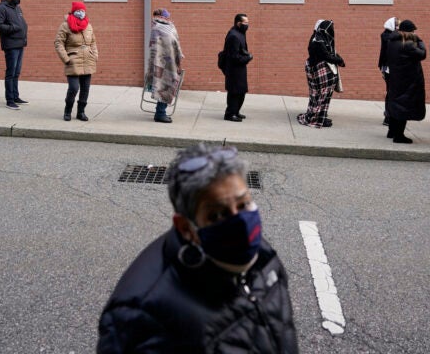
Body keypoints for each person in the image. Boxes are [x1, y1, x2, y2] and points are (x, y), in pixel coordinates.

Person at [97, 143, 298, 353]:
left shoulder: (263, 255)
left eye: (243, 204)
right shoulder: (141, 315)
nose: (239, 222)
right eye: (217, 215)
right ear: (186, 228)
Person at [54, 1, 98, 121]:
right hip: (73, 61)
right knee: (73, 88)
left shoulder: (88, 25)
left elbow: (93, 42)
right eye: (79, 10)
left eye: (83, 11)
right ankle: (67, 111)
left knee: (85, 89)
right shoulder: (65, 25)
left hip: (88, 60)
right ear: (73, 11)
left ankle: (81, 112)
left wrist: (95, 55)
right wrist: (66, 59)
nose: (81, 13)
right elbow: (58, 43)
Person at [297, 19, 345, 128]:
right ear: (325, 29)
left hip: (315, 70)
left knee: (316, 95)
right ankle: (317, 118)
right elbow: (326, 56)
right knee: (322, 96)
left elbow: (331, 53)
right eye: (330, 28)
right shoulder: (319, 41)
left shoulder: (319, 38)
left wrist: (339, 60)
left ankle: (318, 116)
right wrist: (339, 61)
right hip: (320, 72)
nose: (332, 31)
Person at [385, 20, 426, 144]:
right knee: (403, 107)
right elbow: (423, 54)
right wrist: (420, 41)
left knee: (395, 103)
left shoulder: (391, 42)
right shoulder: (408, 45)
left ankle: (391, 131)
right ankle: (399, 135)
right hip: (408, 80)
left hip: (395, 78)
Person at [0, 0, 28, 110]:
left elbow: (21, 23)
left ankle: (15, 96)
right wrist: (13, 28)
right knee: (11, 72)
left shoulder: (17, 8)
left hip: (20, 44)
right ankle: (10, 100)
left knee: (16, 72)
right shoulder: (2, 9)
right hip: (11, 45)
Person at [147, 8, 184, 123]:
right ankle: (160, 113)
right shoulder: (163, 28)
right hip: (167, 63)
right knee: (165, 85)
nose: (169, 19)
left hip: (160, 62)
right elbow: (174, 45)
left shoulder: (157, 27)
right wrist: (178, 61)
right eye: (167, 16)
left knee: (163, 85)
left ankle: (160, 110)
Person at [222, 13, 252, 122]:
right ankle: (230, 114)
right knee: (234, 92)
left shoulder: (240, 33)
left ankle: (236, 112)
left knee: (241, 91)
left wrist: (246, 55)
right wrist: (248, 58)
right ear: (239, 23)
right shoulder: (233, 36)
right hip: (234, 70)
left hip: (240, 68)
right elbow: (234, 56)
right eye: (245, 23)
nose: (247, 25)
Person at [377, 17, 399, 126]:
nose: (398, 27)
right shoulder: (388, 37)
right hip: (389, 68)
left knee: (391, 92)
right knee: (391, 92)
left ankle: (390, 115)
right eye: (397, 25)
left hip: (389, 68)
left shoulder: (389, 36)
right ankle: (388, 116)